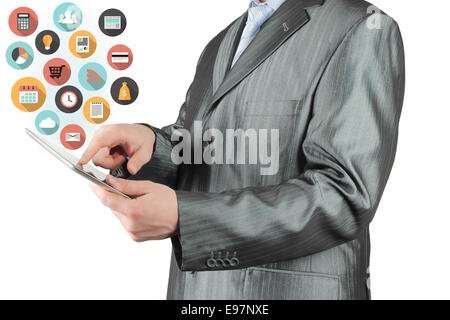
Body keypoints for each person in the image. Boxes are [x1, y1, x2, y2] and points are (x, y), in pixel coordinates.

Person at [78, 0, 405, 300]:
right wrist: (149, 147)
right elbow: (204, 148)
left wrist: (187, 219)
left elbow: (343, 195)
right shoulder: (223, 42)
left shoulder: (360, 27)